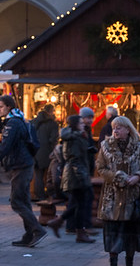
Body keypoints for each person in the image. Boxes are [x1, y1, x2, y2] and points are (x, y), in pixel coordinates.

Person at [0, 94, 47, 247]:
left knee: (16, 202)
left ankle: (37, 230)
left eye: (0, 107)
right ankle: (29, 235)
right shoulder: (18, 120)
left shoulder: (13, 123)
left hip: (21, 166)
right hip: (23, 164)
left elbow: (6, 146)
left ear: (9, 107)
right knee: (23, 201)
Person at [95, 115, 140, 266]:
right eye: (114, 128)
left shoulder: (139, 147)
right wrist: (116, 177)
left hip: (132, 197)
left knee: (130, 233)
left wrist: (138, 177)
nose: (115, 131)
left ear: (128, 129)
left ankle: (130, 265)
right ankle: (113, 265)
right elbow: (100, 168)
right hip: (112, 197)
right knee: (113, 233)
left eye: (119, 128)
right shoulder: (105, 146)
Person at [46, 115, 96, 243]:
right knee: (80, 203)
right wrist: (82, 177)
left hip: (77, 174)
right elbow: (73, 159)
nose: (83, 124)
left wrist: (88, 151)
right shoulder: (73, 138)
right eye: (80, 122)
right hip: (76, 176)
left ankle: (61, 223)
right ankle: (77, 230)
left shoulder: (78, 135)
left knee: (78, 203)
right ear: (74, 124)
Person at [65, 107, 98, 235]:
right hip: (78, 172)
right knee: (84, 198)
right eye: (87, 118)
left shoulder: (85, 131)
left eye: (91, 118)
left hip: (83, 170)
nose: (89, 120)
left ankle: (74, 225)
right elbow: (74, 155)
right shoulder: (75, 134)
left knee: (78, 199)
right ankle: (82, 226)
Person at [30, 103, 59, 201]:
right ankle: (46, 194)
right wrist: (53, 150)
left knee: (38, 174)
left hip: (34, 151)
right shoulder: (52, 124)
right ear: (51, 111)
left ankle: (38, 194)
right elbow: (53, 139)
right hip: (47, 151)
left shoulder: (33, 122)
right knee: (49, 174)